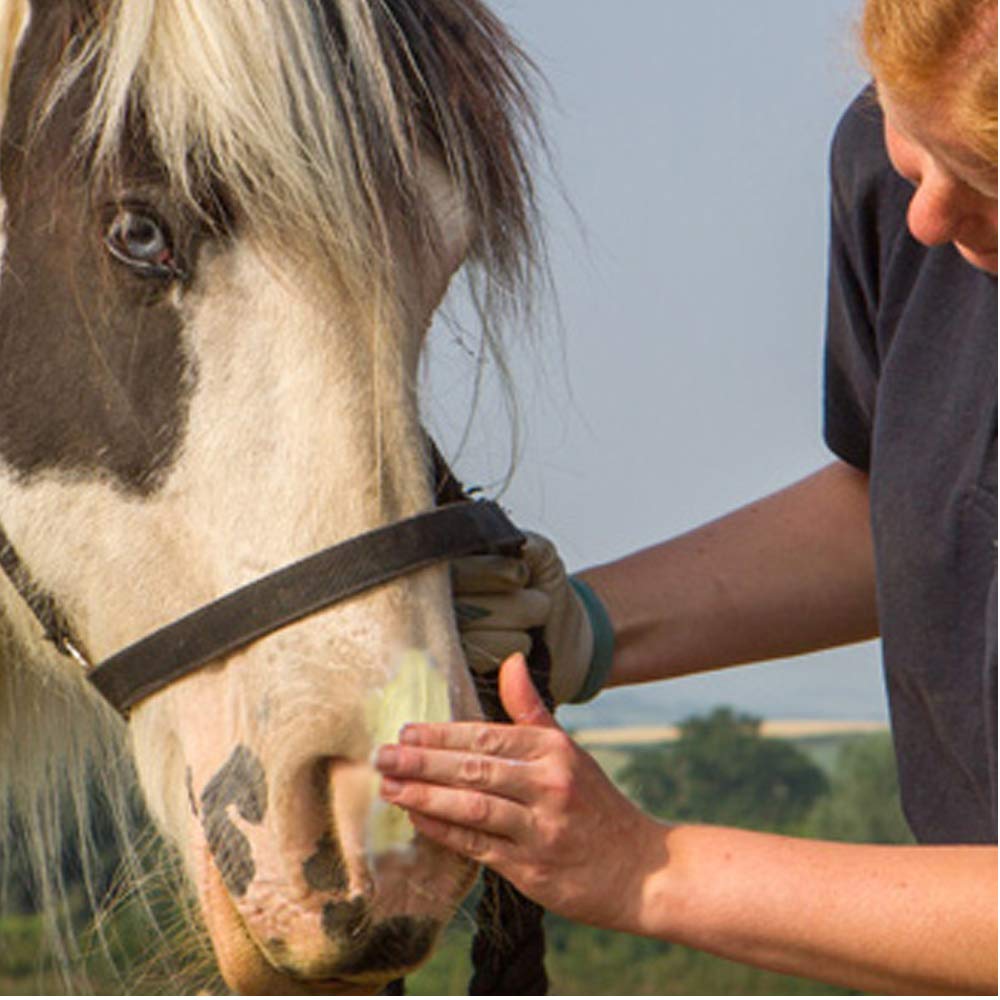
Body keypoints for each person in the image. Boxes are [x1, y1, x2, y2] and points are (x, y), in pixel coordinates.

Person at [375, 0, 998, 992]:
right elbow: (927, 511)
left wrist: (646, 869)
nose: (927, 215)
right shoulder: (894, 185)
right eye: (911, 141)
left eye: (984, 175)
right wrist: (577, 624)